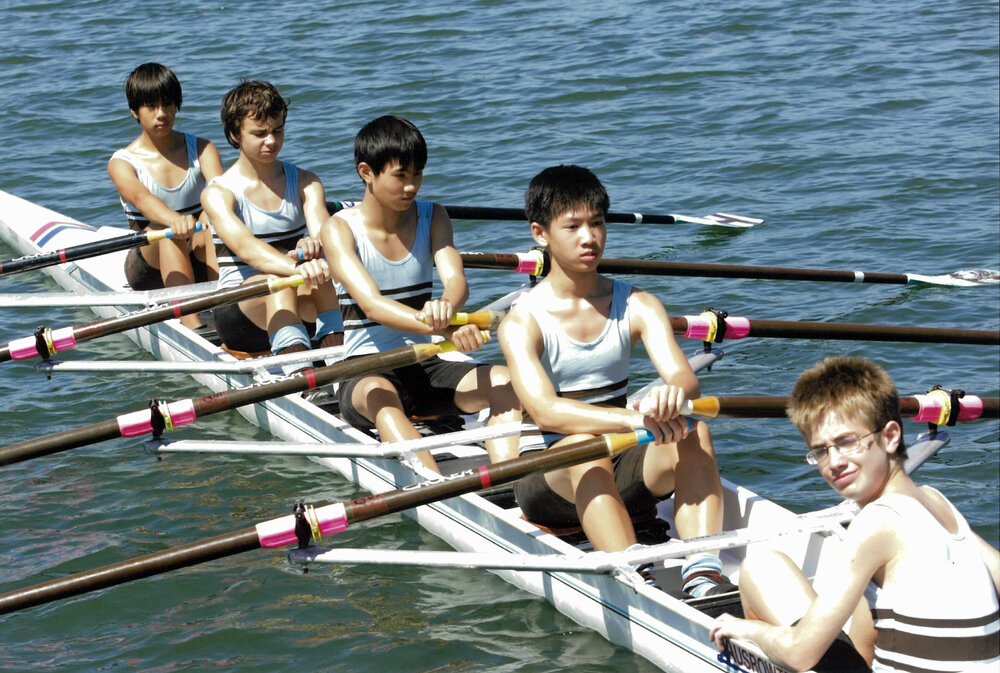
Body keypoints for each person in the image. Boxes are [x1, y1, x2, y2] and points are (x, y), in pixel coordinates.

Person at [497, 164, 731, 598]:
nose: (590, 237)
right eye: (573, 226)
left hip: (619, 460)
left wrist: (672, 396)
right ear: (540, 234)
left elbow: (684, 377)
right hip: (548, 477)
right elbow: (547, 411)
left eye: (597, 223)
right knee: (587, 453)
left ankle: (702, 568)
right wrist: (632, 419)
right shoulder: (521, 321)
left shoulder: (638, 304)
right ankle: (634, 575)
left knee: (693, 429)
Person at [709, 356, 1000, 672]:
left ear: (890, 437)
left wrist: (747, 630)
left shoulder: (877, 522)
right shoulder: (936, 500)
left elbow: (799, 654)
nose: (834, 462)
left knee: (759, 570)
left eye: (846, 442)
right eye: (821, 450)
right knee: (784, 573)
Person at [320, 115, 520, 474]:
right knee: (383, 400)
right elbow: (372, 305)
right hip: (366, 369)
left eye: (418, 174)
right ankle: (436, 490)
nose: (411, 186)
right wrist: (441, 328)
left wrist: (449, 308)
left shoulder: (433, 216)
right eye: (401, 175)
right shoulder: (338, 229)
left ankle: (509, 477)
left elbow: (457, 281)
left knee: (506, 382)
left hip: (425, 361)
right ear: (367, 172)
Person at [200, 80, 341, 368]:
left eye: (277, 131)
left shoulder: (306, 182)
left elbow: (325, 236)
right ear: (234, 134)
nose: (271, 141)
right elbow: (247, 248)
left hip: (293, 291)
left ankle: (342, 362)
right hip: (239, 312)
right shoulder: (218, 193)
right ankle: (303, 378)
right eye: (260, 133)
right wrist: (299, 267)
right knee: (277, 284)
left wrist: (315, 247)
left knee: (325, 278)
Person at [108, 62, 224, 333]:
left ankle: (224, 310)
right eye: (151, 106)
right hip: (148, 269)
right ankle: (194, 326)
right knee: (165, 229)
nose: (162, 113)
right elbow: (143, 200)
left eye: (168, 104)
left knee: (213, 214)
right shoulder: (122, 163)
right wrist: (175, 220)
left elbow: (222, 191)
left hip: (197, 252)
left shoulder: (203, 149)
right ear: (134, 111)